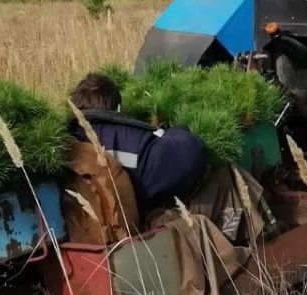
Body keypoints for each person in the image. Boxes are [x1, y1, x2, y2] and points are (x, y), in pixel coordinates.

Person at [68, 73, 209, 208]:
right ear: (117, 108)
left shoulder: (69, 138)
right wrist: (177, 131)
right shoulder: (126, 140)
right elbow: (189, 155)